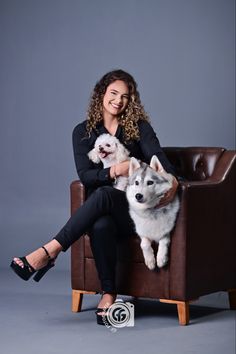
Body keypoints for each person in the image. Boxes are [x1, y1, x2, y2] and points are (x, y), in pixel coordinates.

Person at [10, 69, 179, 325]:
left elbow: (161, 162)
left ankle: (49, 251)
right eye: (113, 93)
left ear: (130, 101)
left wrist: (173, 181)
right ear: (101, 93)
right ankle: (109, 294)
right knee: (100, 223)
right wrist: (115, 170)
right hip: (106, 212)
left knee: (103, 194)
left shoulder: (139, 128)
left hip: (138, 211)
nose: (118, 100)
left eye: (125, 96)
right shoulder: (82, 132)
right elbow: (86, 176)